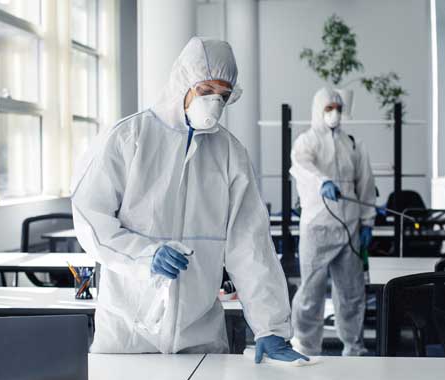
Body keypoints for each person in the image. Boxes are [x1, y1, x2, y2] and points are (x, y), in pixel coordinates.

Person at [71, 37, 306, 363]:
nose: (215, 103)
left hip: (199, 337)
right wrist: (144, 257)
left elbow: (250, 246)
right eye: (207, 90)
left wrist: (270, 327)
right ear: (183, 82)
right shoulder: (129, 138)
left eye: (223, 96)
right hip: (128, 336)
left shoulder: (229, 154)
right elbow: (90, 219)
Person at [289, 88, 377, 356]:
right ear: (318, 109)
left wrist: (367, 223)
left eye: (338, 107)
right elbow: (301, 166)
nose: (335, 112)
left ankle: (354, 346)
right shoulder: (307, 141)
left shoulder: (352, 143)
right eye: (329, 108)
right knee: (311, 292)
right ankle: (305, 346)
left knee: (352, 293)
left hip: (349, 226)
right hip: (317, 227)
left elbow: (366, 183)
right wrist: (323, 182)